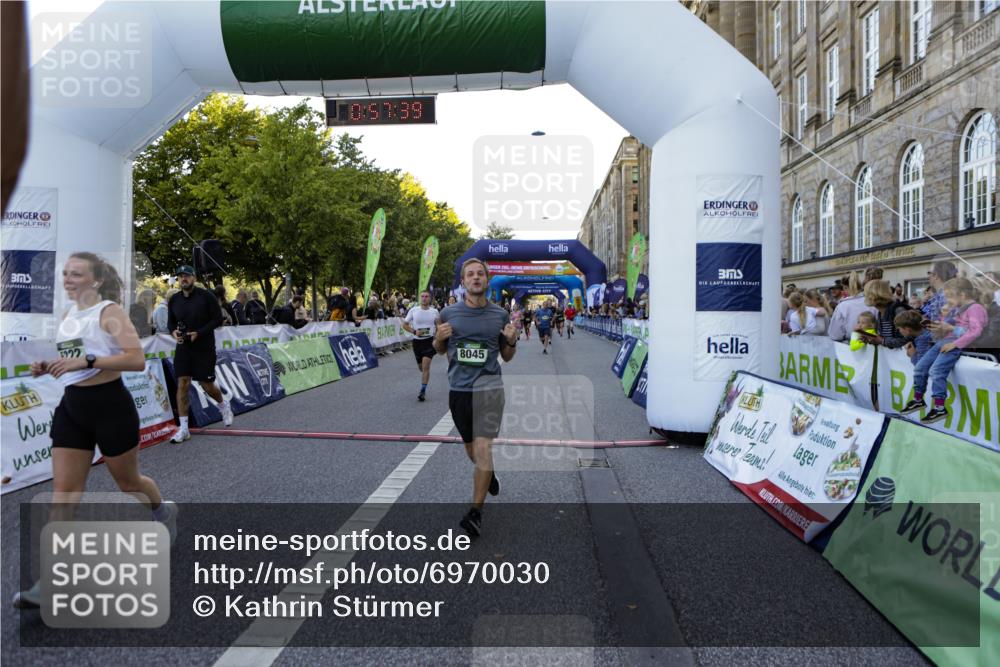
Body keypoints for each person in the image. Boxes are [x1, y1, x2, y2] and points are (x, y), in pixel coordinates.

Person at [13, 252, 177, 608]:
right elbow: (74, 358)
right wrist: (50, 365)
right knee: (64, 494)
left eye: (76, 274)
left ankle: (162, 512)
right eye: (66, 274)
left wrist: (87, 360)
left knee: (130, 483)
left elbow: (134, 359)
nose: (67, 279)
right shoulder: (68, 315)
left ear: (96, 281)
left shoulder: (109, 312)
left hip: (110, 407)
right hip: (73, 408)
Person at [434, 258, 517, 537]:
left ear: (487, 279)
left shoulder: (500, 316)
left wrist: (512, 341)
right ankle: (489, 475)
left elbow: (507, 356)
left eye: (480, 273)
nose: (475, 278)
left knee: (483, 450)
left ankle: (475, 513)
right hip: (459, 391)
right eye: (470, 274)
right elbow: (440, 350)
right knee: (472, 451)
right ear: (463, 282)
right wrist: (438, 337)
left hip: (490, 390)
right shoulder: (447, 313)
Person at [901, 278, 988, 423]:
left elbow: (975, 331)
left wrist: (956, 344)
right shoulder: (960, 309)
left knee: (936, 370)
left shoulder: (976, 309)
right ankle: (918, 399)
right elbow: (952, 325)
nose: (947, 300)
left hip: (954, 344)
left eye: (949, 296)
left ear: (962, 294)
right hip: (945, 341)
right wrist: (937, 325)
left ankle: (939, 407)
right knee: (920, 367)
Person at [167, 265, 233, 443]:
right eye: (180, 276)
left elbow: (218, 319)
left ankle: (223, 405)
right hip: (183, 347)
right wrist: (174, 333)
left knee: (207, 385)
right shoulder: (174, 300)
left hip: (204, 346)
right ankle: (184, 429)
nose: (183, 279)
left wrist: (199, 333)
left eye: (186, 276)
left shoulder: (206, 296)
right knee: (182, 383)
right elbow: (170, 323)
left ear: (193, 278)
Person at [402, 290, 439, 402]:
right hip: (417, 342)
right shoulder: (414, 310)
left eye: (426, 296)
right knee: (421, 367)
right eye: (422, 296)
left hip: (429, 342)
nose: (424, 298)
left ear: (430, 298)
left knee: (426, 367)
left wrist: (437, 337)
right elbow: (404, 324)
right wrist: (414, 331)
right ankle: (423, 379)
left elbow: (439, 326)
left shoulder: (435, 311)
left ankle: (422, 391)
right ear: (419, 298)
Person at [853, 280, 910, 350]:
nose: (864, 297)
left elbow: (908, 339)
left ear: (873, 295)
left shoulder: (898, 310)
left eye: (866, 294)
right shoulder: (880, 313)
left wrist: (881, 341)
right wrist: (872, 340)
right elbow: (885, 339)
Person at [828, 271, 876, 342]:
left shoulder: (842, 306)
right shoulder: (871, 301)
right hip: (874, 344)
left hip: (852, 346)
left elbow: (835, 335)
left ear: (844, 288)